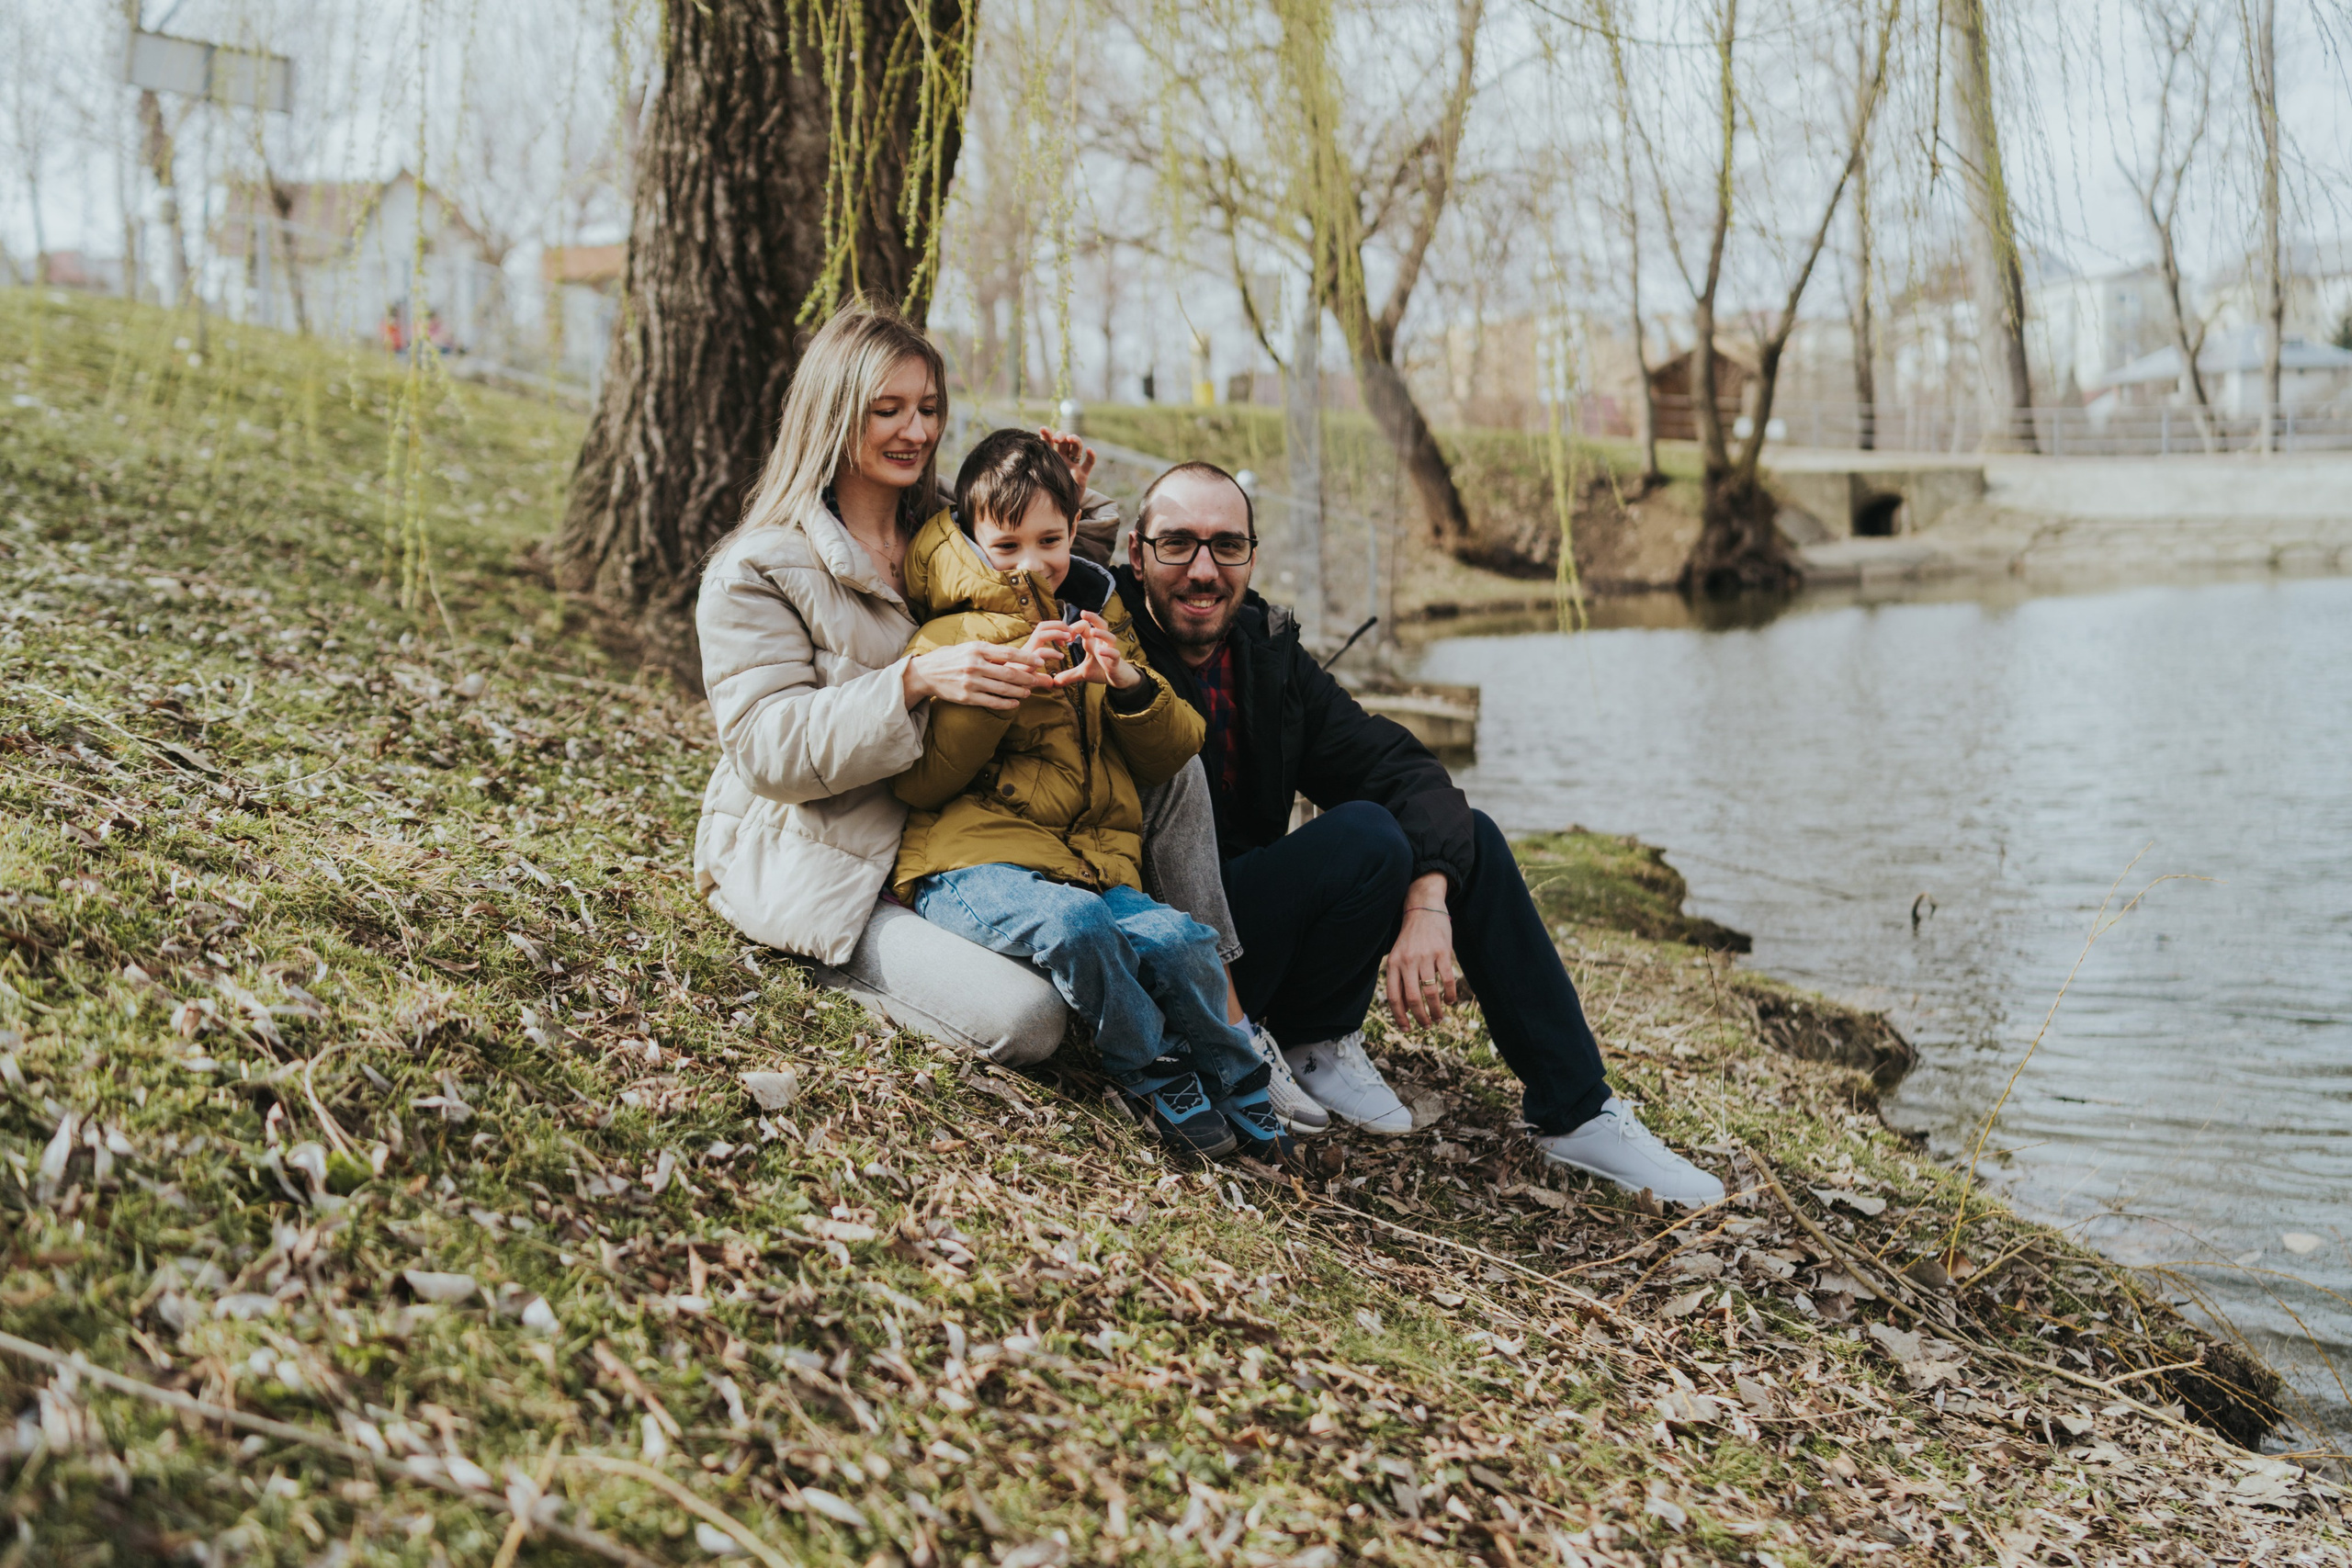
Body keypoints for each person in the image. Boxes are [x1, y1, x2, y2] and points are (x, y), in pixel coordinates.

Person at [1112, 460, 1726, 1206]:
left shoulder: (1264, 653)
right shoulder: (1109, 642)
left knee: (1469, 837)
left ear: (1252, 556)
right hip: (1166, 948)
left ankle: (1576, 1112)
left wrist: (1429, 899)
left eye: (1227, 545)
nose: (1204, 570)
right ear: (1137, 552)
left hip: (1259, 936)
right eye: (1178, 543)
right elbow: (1022, 563)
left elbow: (1399, 767)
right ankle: (1292, 1038)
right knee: (1369, 836)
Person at [691, 299, 1245, 1074]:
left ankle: (1231, 1013)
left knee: (1170, 758)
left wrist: (1063, 502)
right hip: (838, 860)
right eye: (887, 409)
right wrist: (913, 680)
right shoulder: (757, 568)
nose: (916, 430)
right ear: (833, 412)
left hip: (963, 826)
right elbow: (764, 748)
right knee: (1029, 1019)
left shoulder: (945, 530)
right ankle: (845, 960)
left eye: (928, 408)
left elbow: (1028, 570)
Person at [887, 430, 1286, 1160]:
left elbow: (1175, 750)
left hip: (1085, 868)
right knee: (1076, 924)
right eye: (1006, 546)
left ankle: (1240, 1075)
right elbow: (921, 780)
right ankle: (1150, 1066)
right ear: (972, 539)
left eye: (1049, 540)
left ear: (1074, 530)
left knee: (1182, 938)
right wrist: (999, 689)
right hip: (966, 866)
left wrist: (1126, 682)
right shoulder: (948, 636)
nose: (1032, 563)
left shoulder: (1096, 618)